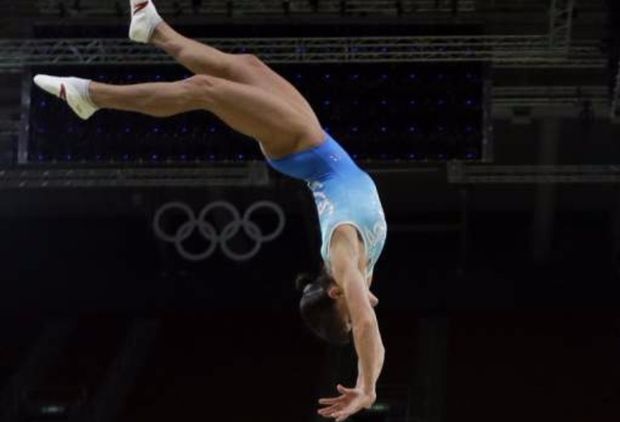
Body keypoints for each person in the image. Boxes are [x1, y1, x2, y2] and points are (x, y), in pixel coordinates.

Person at [33, 1, 387, 420]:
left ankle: (90, 96)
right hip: (318, 145)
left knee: (204, 90)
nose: (362, 313)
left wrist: (367, 388)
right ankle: (153, 29)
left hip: (302, 148)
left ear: (335, 293)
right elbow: (367, 309)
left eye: (349, 319)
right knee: (246, 65)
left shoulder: (343, 257)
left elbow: (367, 325)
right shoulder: (359, 274)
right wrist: (359, 313)